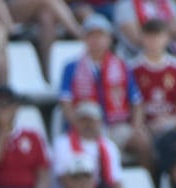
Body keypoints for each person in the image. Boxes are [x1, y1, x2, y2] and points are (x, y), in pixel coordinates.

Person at [58, 14, 152, 170]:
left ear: (109, 39)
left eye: (100, 35)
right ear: (85, 39)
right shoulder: (71, 67)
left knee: (142, 143)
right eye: (91, 35)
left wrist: (137, 128)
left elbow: (136, 102)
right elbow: (65, 103)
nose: (96, 40)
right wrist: (79, 125)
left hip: (117, 125)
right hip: (86, 125)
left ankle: (148, 181)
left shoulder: (121, 66)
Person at [51, 101, 150, 188]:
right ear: (76, 122)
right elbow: (67, 183)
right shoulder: (63, 144)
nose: (88, 124)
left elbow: (116, 180)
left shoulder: (108, 145)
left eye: (92, 120)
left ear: (100, 122)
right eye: (83, 120)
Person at [130, 18, 176, 135]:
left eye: (158, 37)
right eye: (149, 37)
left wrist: (174, 119)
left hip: (175, 123)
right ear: (142, 38)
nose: (154, 41)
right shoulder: (132, 68)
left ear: (167, 38)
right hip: (144, 127)